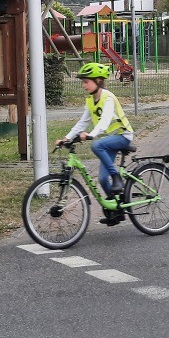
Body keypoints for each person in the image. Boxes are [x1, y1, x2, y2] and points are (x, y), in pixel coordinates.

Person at [55, 62, 134, 226]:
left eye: (86, 81)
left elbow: (104, 121)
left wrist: (91, 135)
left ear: (98, 80)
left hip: (122, 135)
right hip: (109, 141)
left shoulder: (108, 97)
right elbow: (82, 123)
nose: (84, 85)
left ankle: (117, 177)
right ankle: (117, 210)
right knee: (103, 179)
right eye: (83, 82)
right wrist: (66, 138)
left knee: (96, 145)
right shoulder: (91, 101)